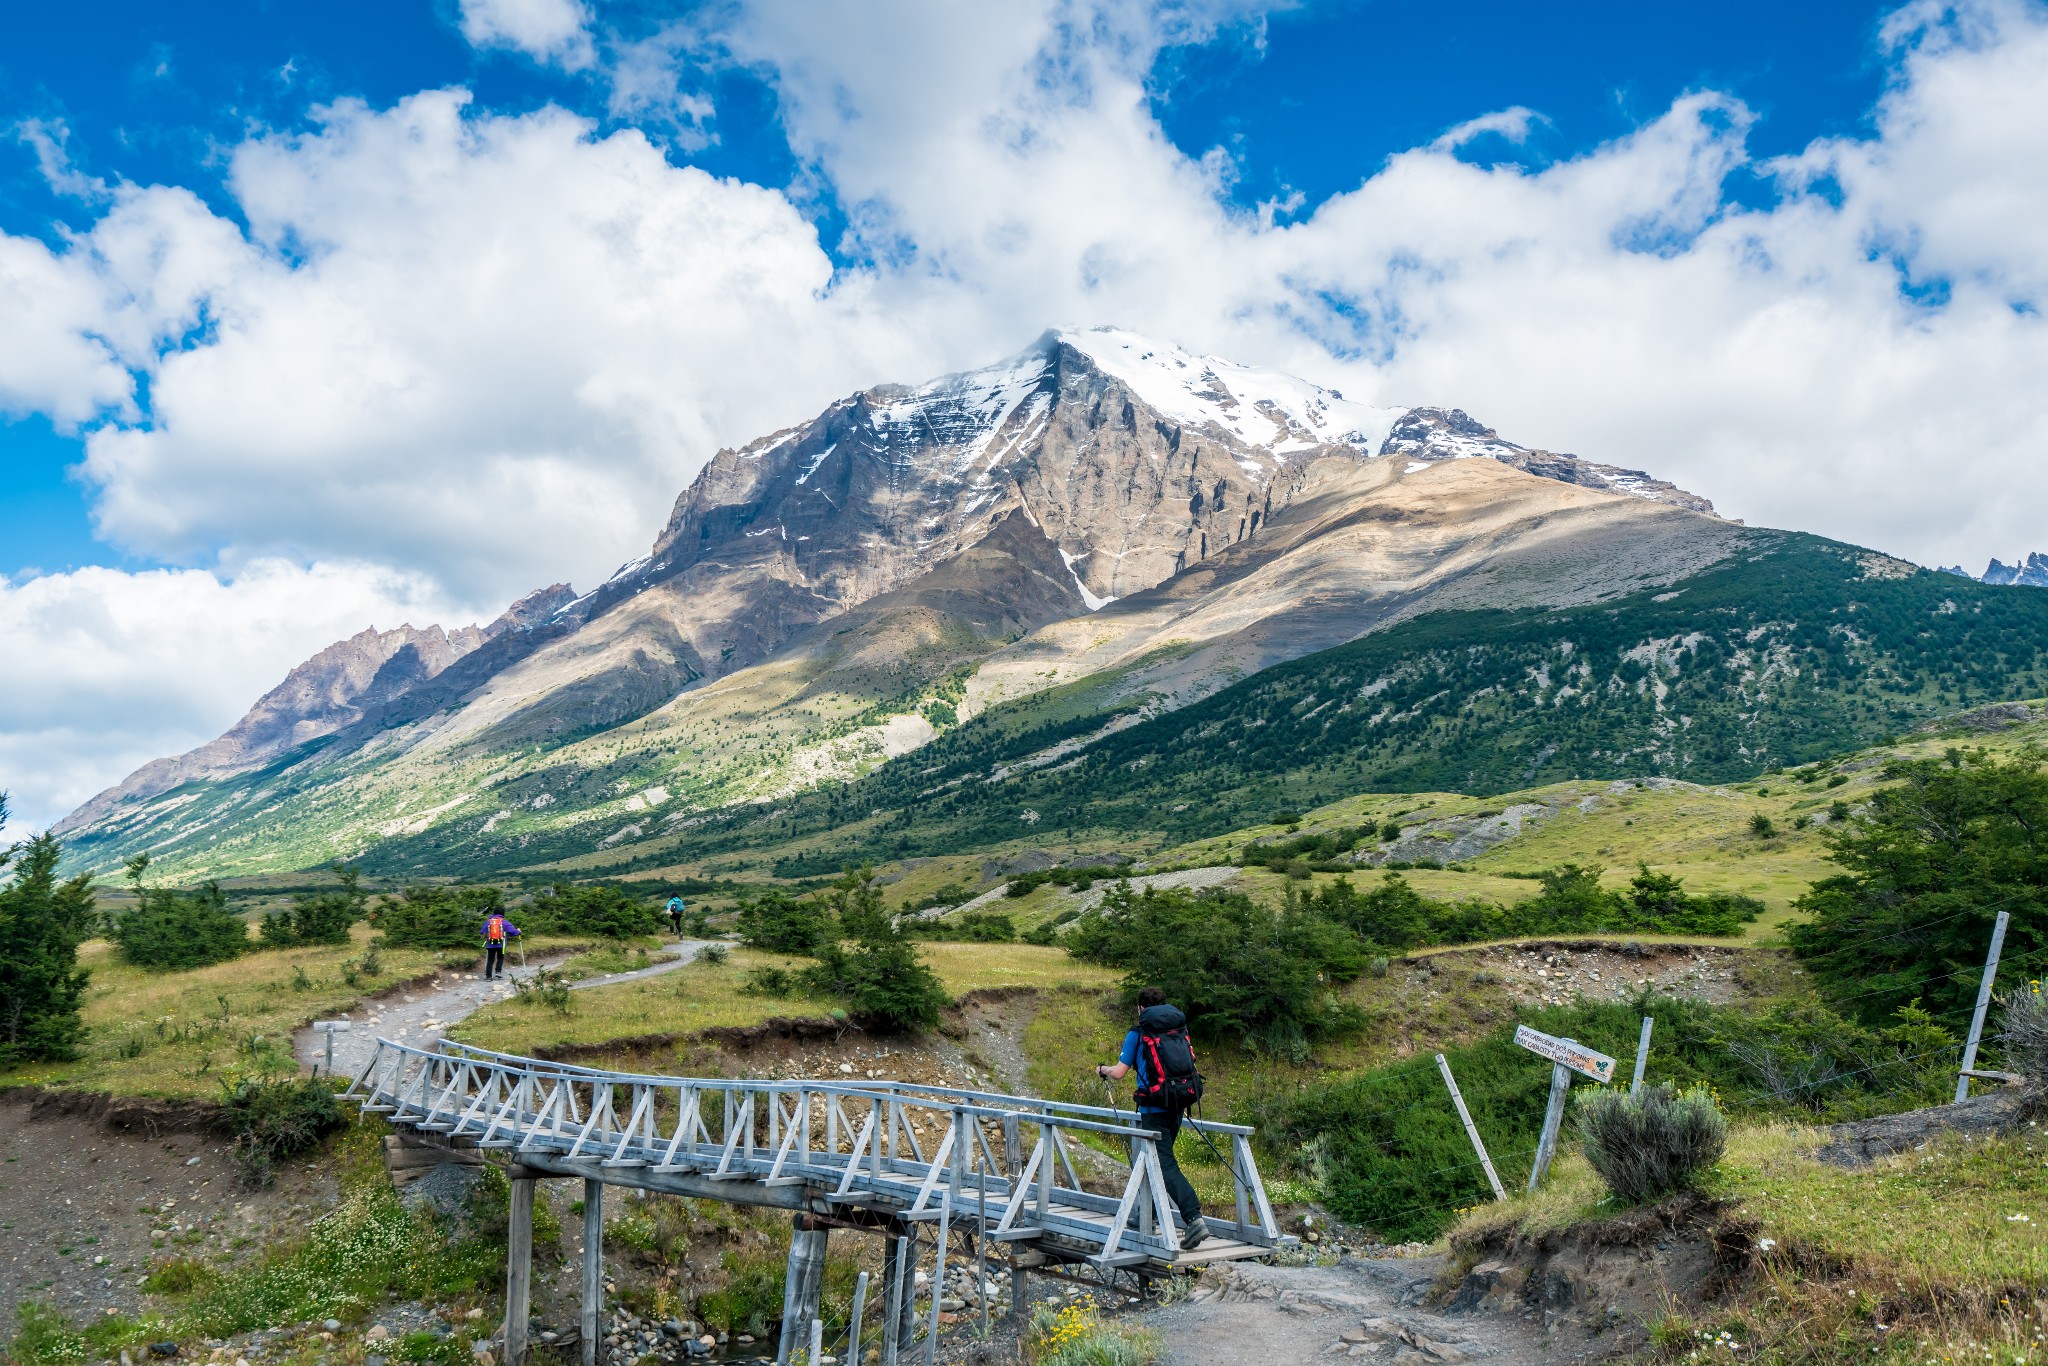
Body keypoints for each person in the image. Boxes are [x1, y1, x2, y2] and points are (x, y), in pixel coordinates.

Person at [1096, 985, 1209, 1250]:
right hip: (1177, 1105)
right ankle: (1149, 1215)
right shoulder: (1176, 1031)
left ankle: (1194, 1219)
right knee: (1154, 1161)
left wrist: (1103, 1070)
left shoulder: (1138, 1034)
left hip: (1152, 1109)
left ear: (1140, 1008)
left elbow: (1120, 1072)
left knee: (1163, 1165)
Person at [481, 908, 521, 981]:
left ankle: (488, 976)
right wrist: (518, 931)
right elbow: (514, 932)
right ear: (503, 914)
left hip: (490, 944)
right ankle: (498, 973)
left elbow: (482, 931)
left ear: (494, 913)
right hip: (501, 944)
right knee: (500, 958)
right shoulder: (504, 922)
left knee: (490, 959)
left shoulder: (489, 922)